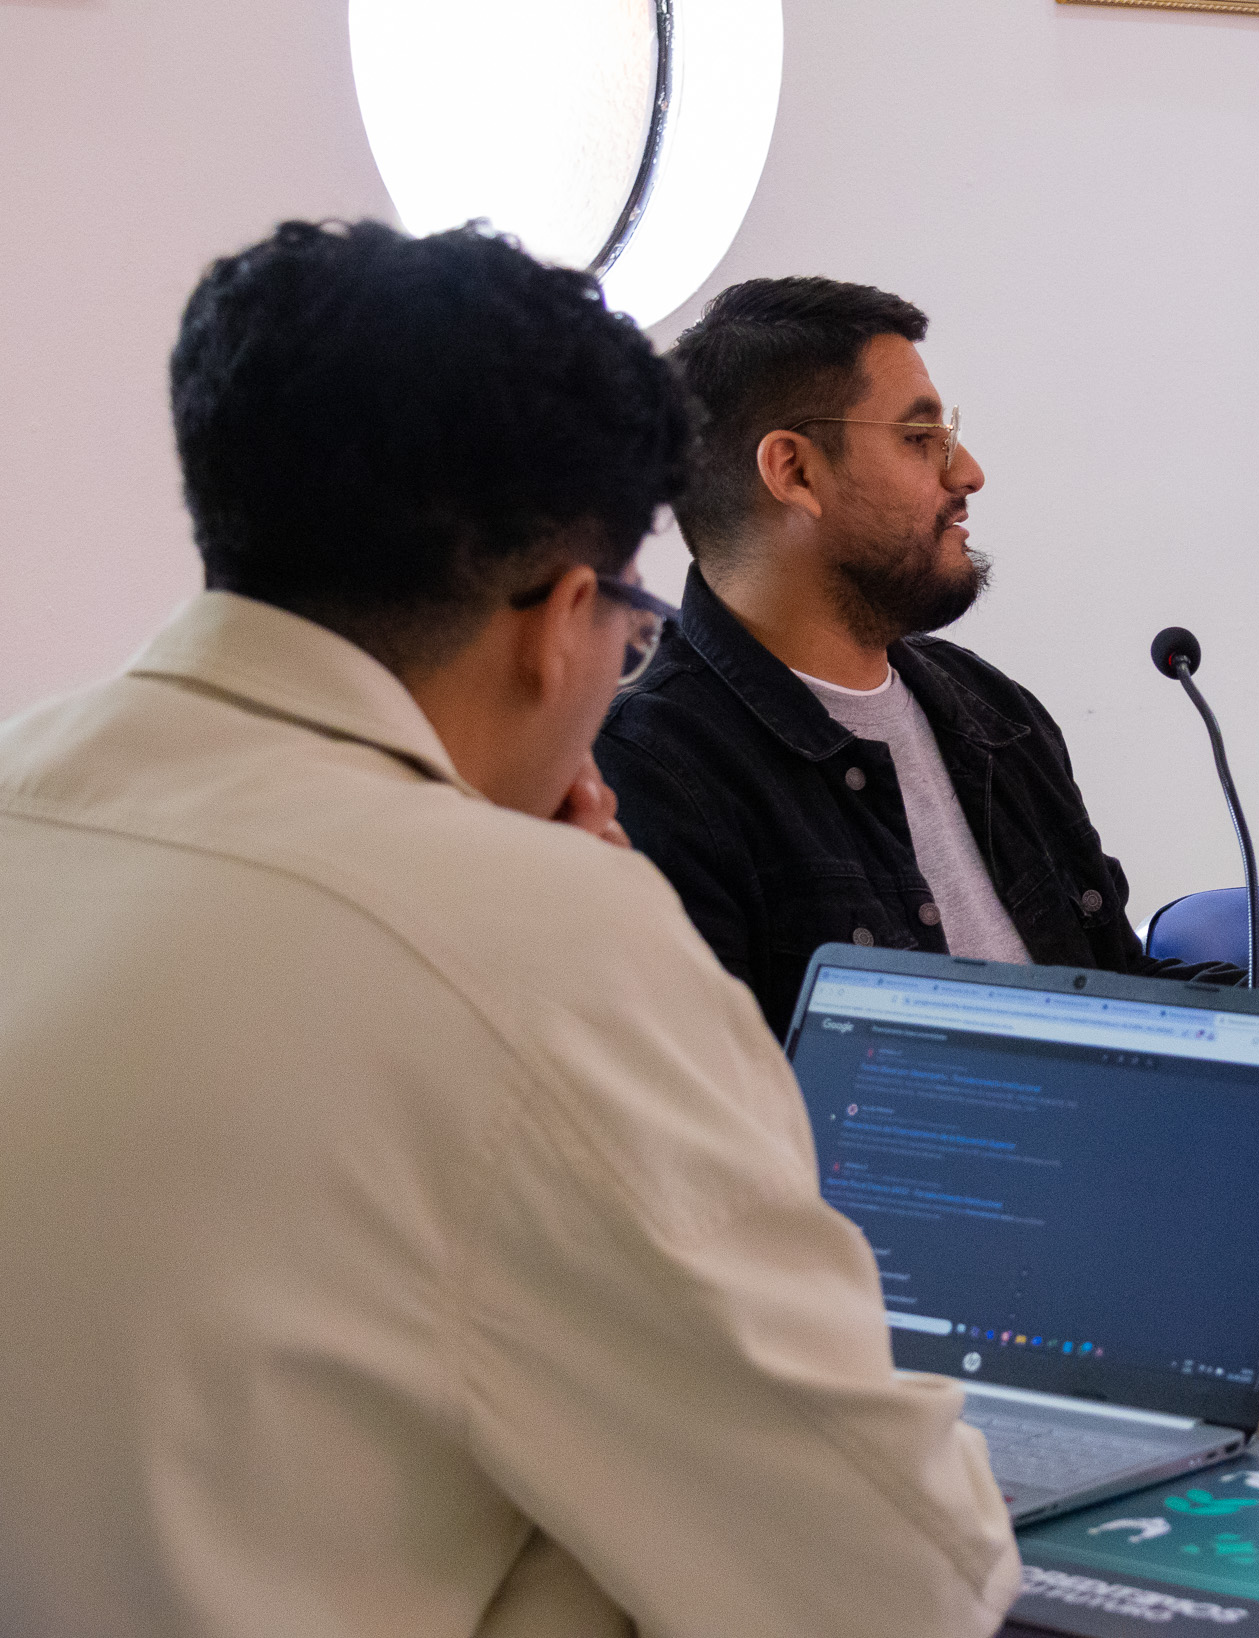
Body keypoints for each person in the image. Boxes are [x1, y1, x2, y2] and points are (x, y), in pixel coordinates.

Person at [0, 222, 1020, 1636]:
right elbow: (910, 1583)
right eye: (631, 630)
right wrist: (602, 943)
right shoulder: (538, 942)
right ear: (561, 622)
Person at [594, 276, 1259, 1061]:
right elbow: (709, 1137)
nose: (967, 471)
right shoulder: (647, 773)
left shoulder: (985, 712)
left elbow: (1119, 1006)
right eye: (922, 439)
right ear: (794, 472)